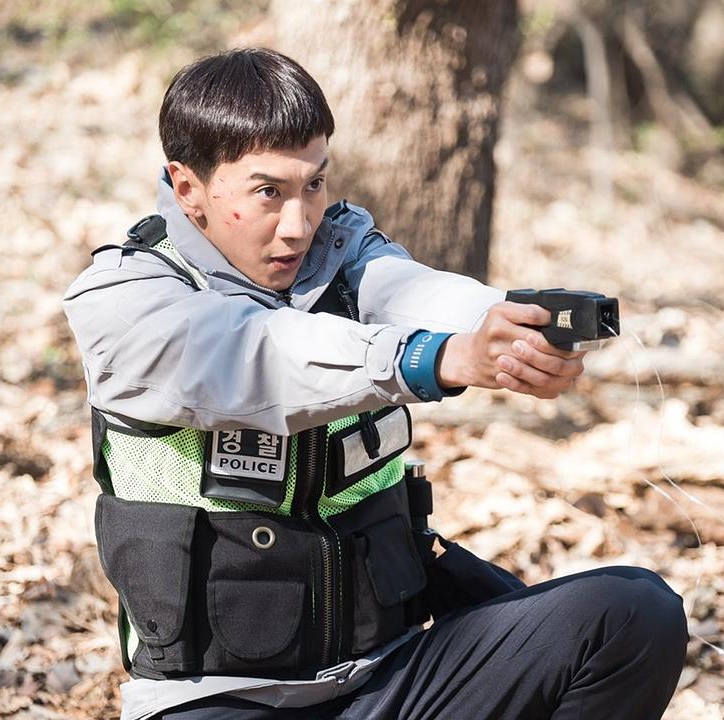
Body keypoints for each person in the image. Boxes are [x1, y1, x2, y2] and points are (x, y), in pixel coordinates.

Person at [63, 48, 688, 720]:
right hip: (215, 701)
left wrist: (512, 326)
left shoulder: (341, 252)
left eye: (314, 184)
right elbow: (260, 356)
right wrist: (436, 359)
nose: (299, 223)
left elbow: (416, 293)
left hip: (390, 680)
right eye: (268, 192)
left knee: (634, 614)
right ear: (188, 188)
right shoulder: (124, 299)